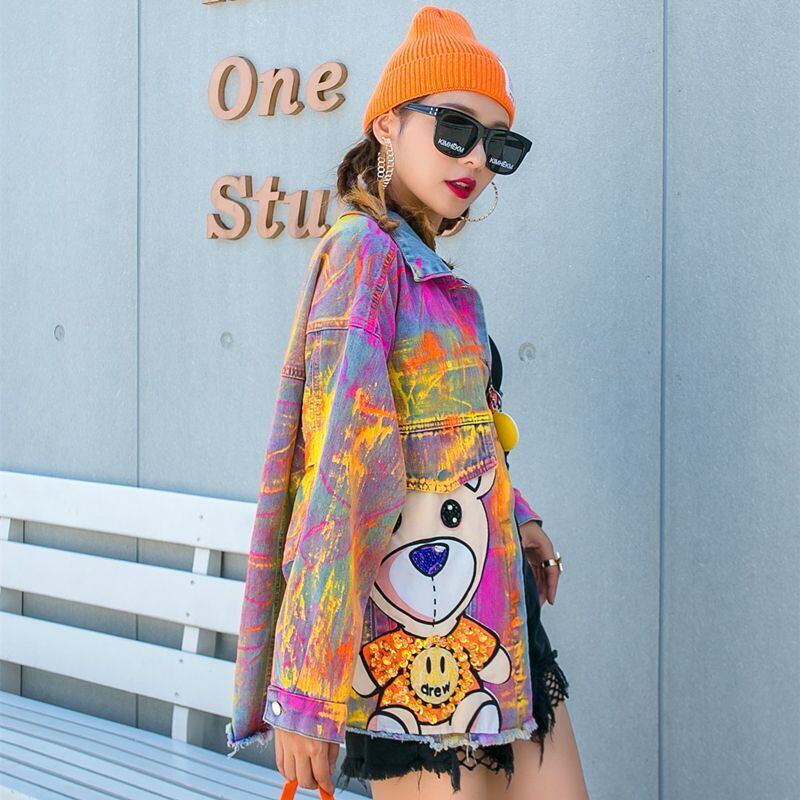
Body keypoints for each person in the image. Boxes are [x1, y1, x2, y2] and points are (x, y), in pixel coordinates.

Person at [227, 6, 589, 799]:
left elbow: (451, 437)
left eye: (499, 144)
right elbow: (339, 476)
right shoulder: (364, 255)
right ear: (387, 124)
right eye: (455, 128)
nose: (478, 159)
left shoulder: (422, 265)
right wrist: (306, 692)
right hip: (422, 653)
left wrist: (520, 516)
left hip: (497, 626)